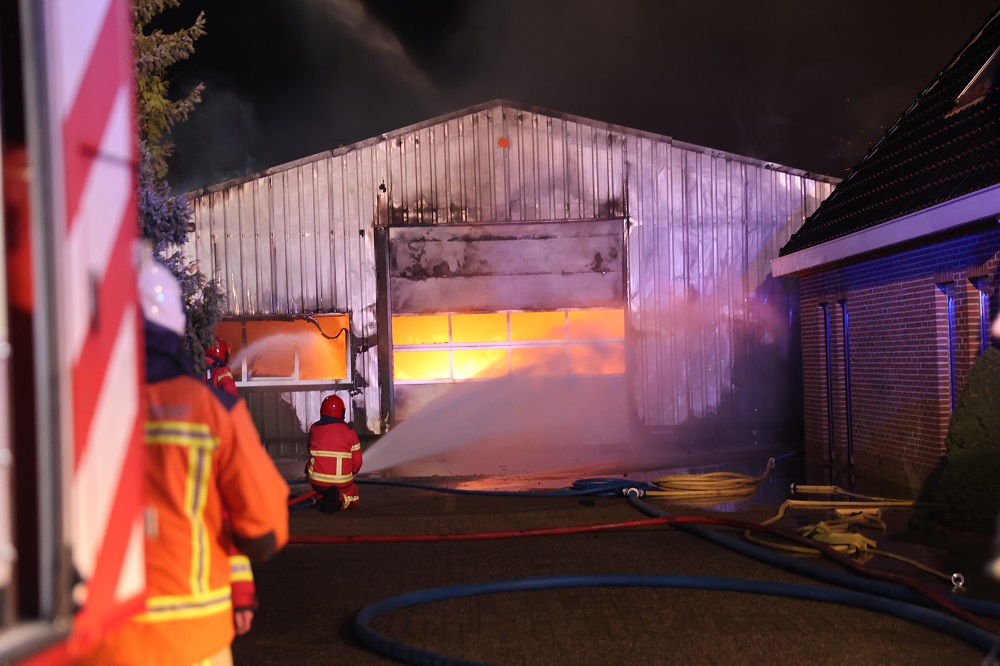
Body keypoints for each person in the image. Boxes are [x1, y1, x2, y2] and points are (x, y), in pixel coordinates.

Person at [81, 252, 289, 666]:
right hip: (194, 635)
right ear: (176, 326)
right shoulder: (212, 409)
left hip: (101, 642)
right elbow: (263, 527)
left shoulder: (72, 409)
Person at [202, 335, 257, 636]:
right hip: (218, 442)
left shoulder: (194, 370)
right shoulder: (222, 372)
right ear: (222, 354)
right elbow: (232, 402)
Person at [306, 395, 363, 512]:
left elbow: (309, 450)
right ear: (342, 412)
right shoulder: (349, 431)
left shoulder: (314, 428)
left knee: (321, 487)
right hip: (340, 482)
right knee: (354, 495)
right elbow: (357, 462)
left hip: (316, 481)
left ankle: (321, 497)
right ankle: (340, 502)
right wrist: (352, 474)